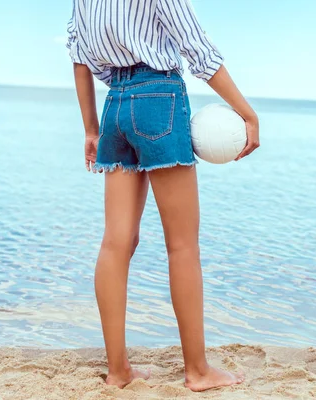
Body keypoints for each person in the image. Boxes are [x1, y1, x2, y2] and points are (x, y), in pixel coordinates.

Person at [66, 0, 259, 392]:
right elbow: (199, 51)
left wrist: (91, 128)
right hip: (160, 99)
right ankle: (198, 371)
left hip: (115, 105)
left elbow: (78, 55)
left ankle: (118, 371)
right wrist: (248, 114)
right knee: (183, 245)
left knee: (116, 243)